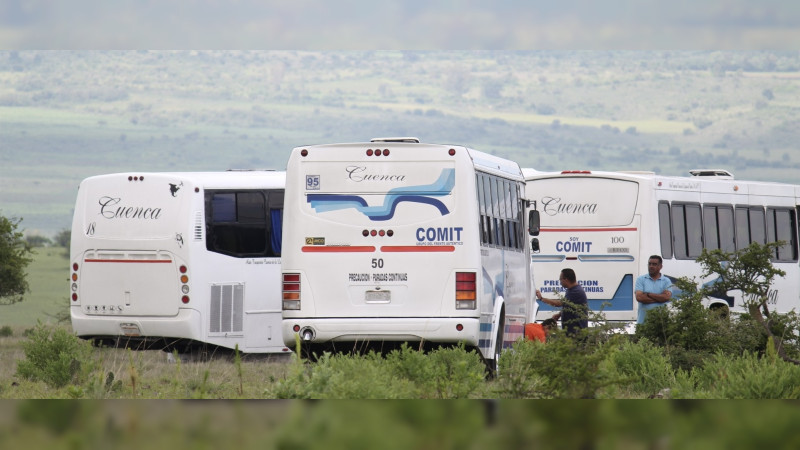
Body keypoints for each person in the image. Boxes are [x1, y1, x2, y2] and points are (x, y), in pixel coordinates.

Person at [535, 268, 589, 337]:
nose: (560, 282)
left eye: (560, 279)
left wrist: (541, 298)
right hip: (571, 332)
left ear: (566, 279)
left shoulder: (576, 291)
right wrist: (560, 314)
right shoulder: (571, 290)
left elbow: (558, 303)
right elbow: (569, 305)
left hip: (576, 333)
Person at [634, 255, 673, 324]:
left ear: (660, 266)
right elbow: (639, 297)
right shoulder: (641, 279)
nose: (651, 266)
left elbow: (666, 297)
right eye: (649, 264)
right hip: (643, 323)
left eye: (654, 264)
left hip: (661, 324)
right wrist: (660, 298)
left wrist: (648, 294)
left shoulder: (666, 281)